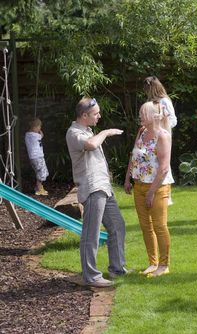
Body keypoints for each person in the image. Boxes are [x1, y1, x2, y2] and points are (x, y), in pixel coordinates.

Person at [66, 97, 127, 288]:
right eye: (96, 113)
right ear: (84, 115)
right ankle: (91, 276)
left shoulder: (88, 130)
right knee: (90, 234)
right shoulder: (74, 132)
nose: (99, 116)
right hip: (92, 188)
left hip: (104, 187)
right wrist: (106, 132)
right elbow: (91, 145)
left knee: (117, 226)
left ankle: (117, 268)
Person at [124, 101, 173, 277]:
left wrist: (152, 192)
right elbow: (134, 155)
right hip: (139, 185)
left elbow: (163, 168)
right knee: (146, 226)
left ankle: (164, 264)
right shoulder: (142, 131)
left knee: (160, 226)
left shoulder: (162, 136)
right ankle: (152, 263)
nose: (139, 117)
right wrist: (128, 177)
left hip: (158, 187)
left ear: (153, 116)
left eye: (143, 114)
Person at [143, 76, 177, 205]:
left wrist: (162, 125)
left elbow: (173, 120)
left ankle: (167, 195)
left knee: (164, 164)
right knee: (154, 162)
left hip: (163, 137)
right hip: (152, 136)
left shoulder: (164, 101)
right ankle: (154, 189)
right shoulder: (151, 102)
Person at [25, 118, 49, 196]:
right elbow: (42, 135)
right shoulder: (35, 135)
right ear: (35, 127)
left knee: (39, 171)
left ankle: (38, 187)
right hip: (38, 156)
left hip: (33, 157)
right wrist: (39, 132)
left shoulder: (28, 135)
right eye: (39, 126)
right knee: (41, 172)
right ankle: (39, 189)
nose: (40, 128)